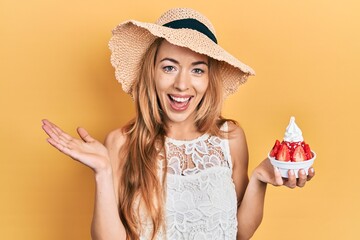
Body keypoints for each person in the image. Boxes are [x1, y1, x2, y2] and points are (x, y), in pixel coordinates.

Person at [42, 8, 315, 240]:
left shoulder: (230, 138)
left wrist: (259, 179)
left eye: (197, 69)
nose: (182, 84)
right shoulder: (121, 142)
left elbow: (239, 232)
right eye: (169, 67)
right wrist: (102, 172)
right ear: (152, 73)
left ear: (209, 80)